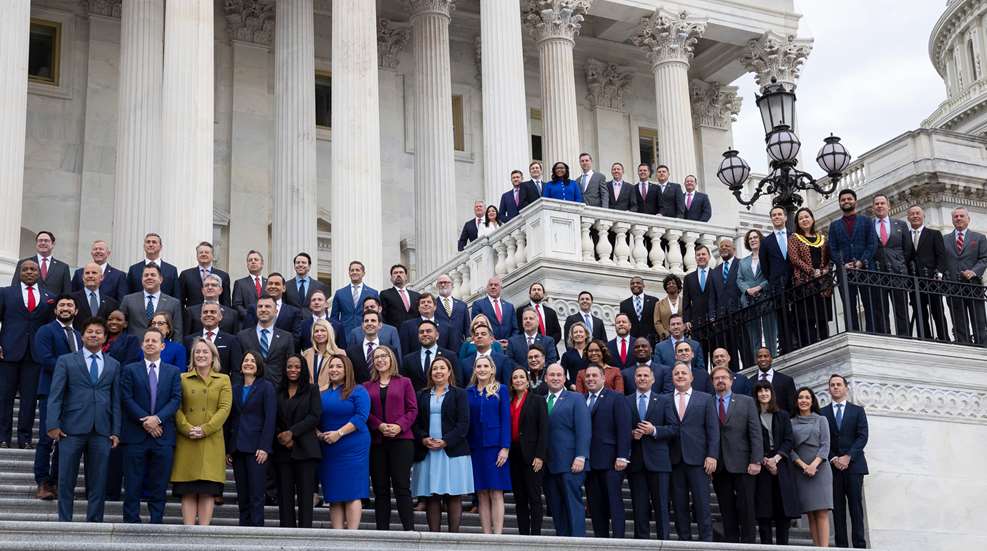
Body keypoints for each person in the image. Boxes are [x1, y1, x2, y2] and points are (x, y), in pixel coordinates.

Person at [46, 316, 121, 522]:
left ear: (105, 337)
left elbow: (116, 400)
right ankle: (64, 521)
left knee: (98, 480)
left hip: (102, 430)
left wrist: (116, 430)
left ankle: (95, 521)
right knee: (66, 479)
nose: (94, 335)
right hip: (71, 428)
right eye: (90, 331)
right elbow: (56, 395)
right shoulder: (66, 361)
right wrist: (52, 424)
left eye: (98, 332)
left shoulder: (114, 365)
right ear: (82, 335)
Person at [120, 328, 182, 524]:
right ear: (141, 345)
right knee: (132, 482)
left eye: (154, 341)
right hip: (135, 435)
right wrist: (147, 420)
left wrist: (157, 419)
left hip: (163, 436)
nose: (149, 343)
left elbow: (175, 399)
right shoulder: (130, 369)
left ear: (162, 346)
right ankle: (131, 520)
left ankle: (156, 520)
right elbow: (126, 398)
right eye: (146, 340)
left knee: (159, 482)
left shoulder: (173, 372)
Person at [171, 338, 233, 526]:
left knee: (207, 490)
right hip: (187, 440)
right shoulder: (182, 378)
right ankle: (189, 533)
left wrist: (205, 429)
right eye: (197, 352)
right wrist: (187, 428)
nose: (201, 355)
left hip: (211, 441)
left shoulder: (223, 379)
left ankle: (204, 534)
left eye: (205, 352)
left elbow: (224, 408)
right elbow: (176, 406)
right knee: (188, 489)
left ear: (213, 356)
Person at [411, 355, 474, 533]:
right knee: (432, 496)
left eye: (442, 368)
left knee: (453, 495)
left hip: (452, 451)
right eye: (435, 369)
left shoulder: (459, 394)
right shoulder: (421, 395)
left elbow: (464, 424)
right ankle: (434, 537)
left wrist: (446, 441)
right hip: (429, 451)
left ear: (449, 372)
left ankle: (453, 538)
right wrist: (424, 438)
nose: (438, 372)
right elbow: (415, 423)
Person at [0, 259, 55, 449]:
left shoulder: (49, 296)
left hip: (35, 355)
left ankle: (25, 438)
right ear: (19, 272)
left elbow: (50, 328)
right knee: (4, 396)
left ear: (39, 273)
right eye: (26, 269)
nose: (30, 272)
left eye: (33, 269)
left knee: (29, 399)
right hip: (8, 352)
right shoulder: (6, 293)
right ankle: (3, 437)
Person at [32, 294, 81, 499]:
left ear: (76, 311)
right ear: (55, 310)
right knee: (46, 438)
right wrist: (73, 371)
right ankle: (43, 482)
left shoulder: (79, 335)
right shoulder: (45, 331)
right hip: (51, 393)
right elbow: (45, 359)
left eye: (70, 305)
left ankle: (56, 481)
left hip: (74, 396)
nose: (66, 308)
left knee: (65, 439)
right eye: (62, 305)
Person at [364, 346, 418, 531]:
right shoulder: (366, 386)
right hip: (377, 442)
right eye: (376, 357)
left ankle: (409, 530)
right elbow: (365, 412)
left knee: (402, 486)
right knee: (380, 489)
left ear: (391, 358)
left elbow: (412, 410)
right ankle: (382, 530)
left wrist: (399, 426)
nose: (380, 360)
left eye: (384, 356)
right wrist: (378, 425)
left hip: (401, 441)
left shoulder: (404, 382)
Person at [317, 354, 371, 529]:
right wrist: (319, 434)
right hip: (330, 448)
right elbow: (313, 417)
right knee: (334, 494)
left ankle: (352, 537)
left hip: (353, 446)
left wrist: (339, 433)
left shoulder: (358, 390)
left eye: (338, 366)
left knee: (352, 492)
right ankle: (337, 537)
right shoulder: (322, 393)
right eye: (331, 366)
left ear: (347, 369)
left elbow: (361, 416)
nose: (334, 370)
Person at [710, 365, 762, 543]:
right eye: (717, 378)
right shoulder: (707, 403)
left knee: (746, 507)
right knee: (726, 508)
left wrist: (756, 460)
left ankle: (749, 544)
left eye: (724, 377)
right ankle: (731, 543)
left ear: (731, 381)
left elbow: (755, 432)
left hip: (744, 464)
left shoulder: (746, 401)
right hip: (719, 465)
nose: (720, 381)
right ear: (712, 382)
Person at [667, 361, 718, 542]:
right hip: (674, 460)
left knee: (702, 504)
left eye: (683, 373)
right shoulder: (665, 399)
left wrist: (712, 455)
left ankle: (706, 542)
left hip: (698, 460)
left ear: (691, 377)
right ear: (672, 378)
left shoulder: (705, 399)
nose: (680, 376)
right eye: (676, 373)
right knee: (679, 505)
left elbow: (712, 430)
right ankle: (684, 540)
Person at [626, 364, 677, 539]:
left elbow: (673, 429)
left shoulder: (664, 401)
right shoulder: (626, 400)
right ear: (634, 379)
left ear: (653, 379)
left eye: (645, 375)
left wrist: (654, 430)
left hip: (659, 462)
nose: (642, 378)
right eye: (639, 375)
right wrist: (631, 434)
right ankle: (641, 543)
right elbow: (620, 429)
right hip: (636, 463)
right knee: (639, 508)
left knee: (662, 506)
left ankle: (664, 542)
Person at [226, 351, 276, 526]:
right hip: (238, 448)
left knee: (256, 494)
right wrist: (229, 448)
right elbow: (231, 419)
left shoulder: (266, 387)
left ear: (259, 366)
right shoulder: (235, 388)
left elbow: (270, 419)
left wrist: (265, 447)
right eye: (245, 360)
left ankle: (256, 532)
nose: (248, 363)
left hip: (257, 449)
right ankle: (243, 532)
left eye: (252, 361)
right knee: (243, 495)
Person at [542, 363, 591, 537]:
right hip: (548, 464)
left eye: (559, 375)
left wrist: (581, 455)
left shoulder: (576, 398)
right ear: (546, 378)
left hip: (571, 463)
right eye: (551, 375)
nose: (555, 378)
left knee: (573, 505)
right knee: (556, 507)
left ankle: (578, 542)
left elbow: (584, 429)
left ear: (564, 378)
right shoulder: (541, 399)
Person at [821, 374, 869, 549]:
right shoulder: (823, 412)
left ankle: (859, 545)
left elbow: (862, 436)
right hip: (833, 468)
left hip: (854, 466)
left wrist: (848, 456)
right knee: (838, 509)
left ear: (846, 388)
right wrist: (834, 457)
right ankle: (841, 546)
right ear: (829, 389)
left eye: (839, 384)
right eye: (832, 385)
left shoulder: (857, 411)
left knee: (856, 508)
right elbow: (823, 439)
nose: (835, 387)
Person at [274, 354, 322, 528]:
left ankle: (305, 537)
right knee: (285, 498)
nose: (293, 370)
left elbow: (314, 416)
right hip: (282, 451)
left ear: (302, 369)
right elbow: (273, 417)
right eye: (289, 367)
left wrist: (292, 433)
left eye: (297, 367)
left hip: (306, 450)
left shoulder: (312, 389)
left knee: (305, 498)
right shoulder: (277, 391)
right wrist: (282, 436)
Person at [582, 364, 631, 538]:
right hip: (590, 463)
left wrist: (623, 456)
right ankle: (600, 540)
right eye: (588, 376)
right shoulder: (582, 399)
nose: (590, 379)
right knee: (595, 506)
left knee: (614, 503)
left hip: (611, 461)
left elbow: (624, 428)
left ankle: (618, 541)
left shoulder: (616, 398)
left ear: (603, 378)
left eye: (595, 375)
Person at [466, 357, 512, 534]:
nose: (482, 369)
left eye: (486, 366)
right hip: (475, 447)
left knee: (496, 492)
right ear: (474, 369)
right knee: (481, 493)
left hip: (495, 448)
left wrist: (505, 447)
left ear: (492, 369)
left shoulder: (501, 390)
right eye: (479, 366)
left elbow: (505, 419)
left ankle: (498, 535)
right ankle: (486, 534)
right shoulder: (468, 392)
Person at [752, 380, 800, 545]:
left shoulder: (783, 415)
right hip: (761, 463)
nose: (763, 393)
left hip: (782, 463)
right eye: (760, 391)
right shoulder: (752, 414)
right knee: (764, 511)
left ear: (772, 394)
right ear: (756, 394)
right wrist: (764, 459)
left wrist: (776, 458)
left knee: (782, 510)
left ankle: (783, 546)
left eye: (767, 390)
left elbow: (789, 439)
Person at [827, 189, 877, 332]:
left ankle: (871, 332)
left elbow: (872, 244)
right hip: (845, 272)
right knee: (849, 305)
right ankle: (853, 331)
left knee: (869, 303)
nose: (846, 201)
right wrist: (842, 264)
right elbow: (832, 248)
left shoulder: (866, 221)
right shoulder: (834, 225)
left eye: (849, 199)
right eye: (843, 200)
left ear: (855, 201)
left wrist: (861, 261)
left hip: (865, 269)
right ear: (839, 203)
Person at [507, 366, 548, 535]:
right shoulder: (508, 402)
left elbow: (544, 430)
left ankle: (536, 534)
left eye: (521, 377)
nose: (518, 380)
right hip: (514, 455)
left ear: (527, 380)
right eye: (515, 378)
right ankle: (523, 534)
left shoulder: (537, 400)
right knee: (520, 498)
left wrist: (540, 455)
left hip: (532, 455)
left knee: (534, 497)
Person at [791, 386, 833, 547]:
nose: (804, 400)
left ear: (812, 401)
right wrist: (803, 466)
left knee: (822, 512)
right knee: (810, 514)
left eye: (807, 397)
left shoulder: (821, 420)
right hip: (801, 471)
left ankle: (824, 548)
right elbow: (790, 448)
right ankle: (816, 547)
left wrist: (814, 465)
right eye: (801, 397)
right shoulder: (791, 422)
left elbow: (825, 446)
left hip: (820, 469)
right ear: (796, 401)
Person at [871, 194, 914, 336]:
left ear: (888, 206)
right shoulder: (869, 226)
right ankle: (885, 337)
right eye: (877, 204)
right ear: (873, 208)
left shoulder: (900, 225)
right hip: (878, 274)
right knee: (880, 310)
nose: (879, 206)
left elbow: (908, 249)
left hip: (898, 273)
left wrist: (899, 263)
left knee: (901, 309)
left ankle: (905, 336)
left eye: (882, 203)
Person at [943, 206, 987, 344]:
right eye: (956, 216)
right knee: (958, 320)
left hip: (973, 285)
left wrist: (974, 272)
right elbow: (941, 260)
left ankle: (982, 344)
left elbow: (984, 258)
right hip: (953, 286)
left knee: (978, 318)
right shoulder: (944, 239)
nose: (959, 218)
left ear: (968, 219)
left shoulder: (979, 238)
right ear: (952, 220)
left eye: (962, 216)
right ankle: (963, 343)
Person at [790, 207, 833, 347]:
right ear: (798, 222)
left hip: (822, 283)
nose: (804, 220)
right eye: (801, 218)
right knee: (807, 319)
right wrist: (811, 271)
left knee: (822, 318)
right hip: (804, 283)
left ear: (812, 219)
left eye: (807, 217)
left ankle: (825, 344)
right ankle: (811, 344)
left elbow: (829, 257)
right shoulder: (794, 238)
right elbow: (794, 259)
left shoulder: (822, 238)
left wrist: (825, 269)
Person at [906, 206, 948, 340]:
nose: (915, 216)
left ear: (923, 216)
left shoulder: (934, 234)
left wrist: (939, 274)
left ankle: (943, 338)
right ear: (908, 217)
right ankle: (925, 338)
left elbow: (941, 256)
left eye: (918, 213)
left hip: (932, 280)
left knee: (938, 311)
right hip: (914, 281)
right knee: (919, 312)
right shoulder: (904, 236)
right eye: (912, 214)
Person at [237, 295, 295, 387]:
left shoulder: (287, 337)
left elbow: (290, 366)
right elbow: (237, 368)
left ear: (276, 311)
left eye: (267, 306)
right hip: (250, 390)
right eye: (260, 306)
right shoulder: (242, 336)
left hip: (278, 390)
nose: (263, 309)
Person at [737, 229, 777, 357]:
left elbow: (771, 275)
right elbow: (739, 279)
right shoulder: (743, 262)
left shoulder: (767, 257)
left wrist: (760, 287)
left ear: (760, 239)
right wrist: (748, 290)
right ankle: (757, 358)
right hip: (749, 299)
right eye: (750, 238)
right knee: (753, 330)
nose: (753, 240)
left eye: (755, 237)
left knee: (769, 327)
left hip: (765, 296)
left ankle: (773, 355)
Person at [760, 207, 795, 353]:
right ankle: (785, 345)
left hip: (795, 280)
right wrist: (774, 280)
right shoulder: (766, 242)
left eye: (780, 214)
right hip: (777, 284)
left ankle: (797, 340)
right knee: (781, 316)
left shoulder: (794, 236)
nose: (777, 217)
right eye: (774, 215)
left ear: (785, 217)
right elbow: (765, 266)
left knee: (797, 312)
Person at [708, 238, 747, 370]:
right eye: (721, 246)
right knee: (728, 348)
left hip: (739, 313)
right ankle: (733, 372)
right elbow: (712, 296)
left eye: (727, 246)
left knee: (743, 346)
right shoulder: (715, 271)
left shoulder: (741, 264)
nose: (724, 248)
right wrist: (713, 316)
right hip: (722, 317)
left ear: (734, 249)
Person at [183, 301, 243, 381]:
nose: (208, 314)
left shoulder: (231, 340)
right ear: (200, 317)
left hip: (222, 388)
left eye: (213, 312)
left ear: (220, 317)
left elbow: (236, 371)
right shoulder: (189, 340)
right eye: (205, 312)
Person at [119, 263, 184, 337]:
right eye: (146, 275)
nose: (149, 277)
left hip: (163, 347)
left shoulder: (173, 303)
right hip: (134, 347)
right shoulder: (128, 300)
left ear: (161, 279)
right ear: (142, 279)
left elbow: (177, 332)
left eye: (153, 275)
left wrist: (177, 348)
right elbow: (120, 328)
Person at [401, 320, 460, 391]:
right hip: (417, 401)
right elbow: (404, 386)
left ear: (437, 335)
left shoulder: (450, 356)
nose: (425, 334)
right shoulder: (408, 359)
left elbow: (458, 382)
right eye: (421, 332)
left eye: (428, 331)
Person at [330, 260, 379, 337]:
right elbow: (334, 317)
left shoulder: (373, 293)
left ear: (363, 273)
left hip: (366, 333)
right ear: (349, 273)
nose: (354, 272)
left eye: (357, 270)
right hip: (344, 334)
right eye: (352, 270)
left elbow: (378, 315)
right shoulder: (340, 293)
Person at [13, 230, 72, 295]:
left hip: (53, 304)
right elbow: (15, 287)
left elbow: (67, 292)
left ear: (53, 244)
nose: (43, 243)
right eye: (40, 240)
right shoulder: (23, 263)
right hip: (29, 303)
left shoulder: (63, 267)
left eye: (46, 241)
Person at [176, 241, 232, 308]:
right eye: (201, 252)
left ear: (212, 256)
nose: (203, 254)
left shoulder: (223, 276)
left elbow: (226, 302)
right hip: (191, 316)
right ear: (197, 256)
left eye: (207, 252)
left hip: (216, 316)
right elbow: (180, 300)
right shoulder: (185, 275)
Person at [460, 324, 514, 389]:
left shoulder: (503, 360)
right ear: (473, 340)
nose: (479, 336)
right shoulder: (465, 363)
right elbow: (462, 388)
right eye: (476, 335)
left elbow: (507, 386)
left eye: (483, 334)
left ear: (491, 339)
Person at [253, 273, 304, 341]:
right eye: (270, 283)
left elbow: (296, 338)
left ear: (284, 288)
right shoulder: (254, 308)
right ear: (265, 287)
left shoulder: (294, 312)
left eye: (277, 284)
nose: (273, 286)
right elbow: (248, 335)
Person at [747, 347, 797, 415]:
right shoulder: (750, 382)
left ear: (771, 359)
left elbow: (793, 407)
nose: (763, 359)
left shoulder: (786, 380)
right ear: (756, 360)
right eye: (760, 357)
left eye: (766, 356)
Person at [344, 310, 387, 384]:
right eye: (366, 321)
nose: (369, 323)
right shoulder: (351, 352)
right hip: (359, 392)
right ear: (362, 325)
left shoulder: (390, 350)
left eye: (373, 320)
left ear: (380, 325)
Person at [470, 276, 518, 341]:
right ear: (487, 288)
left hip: (508, 347)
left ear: (501, 288)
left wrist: (510, 342)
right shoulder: (478, 305)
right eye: (490, 285)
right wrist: (493, 342)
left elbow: (515, 329)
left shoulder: (509, 307)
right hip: (488, 346)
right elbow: (476, 327)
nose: (493, 287)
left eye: (496, 285)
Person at [683, 245, 714, 342]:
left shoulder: (716, 274)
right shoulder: (688, 278)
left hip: (714, 320)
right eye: (698, 255)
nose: (701, 257)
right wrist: (687, 320)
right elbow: (686, 301)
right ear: (695, 258)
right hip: (696, 322)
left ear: (709, 256)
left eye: (703, 254)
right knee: (700, 352)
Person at [301, 318, 343, 386]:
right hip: (310, 394)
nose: (319, 333)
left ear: (329, 332)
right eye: (316, 331)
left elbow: (343, 378)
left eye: (323, 330)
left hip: (331, 394)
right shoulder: (306, 354)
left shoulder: (339, 353)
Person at [619, 276, 659, 344]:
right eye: (632, 283)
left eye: (638, 283)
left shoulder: (654, 301)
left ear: (643, 285)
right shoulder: (624, 304)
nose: (635, 285)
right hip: (632, 341)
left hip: (650, 341)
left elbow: (657, 321)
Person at [434, 274, 471, 346]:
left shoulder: (462, 305)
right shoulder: (433, 305)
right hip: (440, 347)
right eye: (440, 283)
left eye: (446, 282)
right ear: (437, 286)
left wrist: (468, 346)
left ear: (452, 285)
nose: (443, 284)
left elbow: (467, 329)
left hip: (459, 347)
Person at [380, 264, 421, 328]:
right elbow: (383, 316)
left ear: (406, 277)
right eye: (395, 273)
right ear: (391, 278)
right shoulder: (385, 294)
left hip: (414, 332)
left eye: (401, 272)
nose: (398, 275)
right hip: (395, 332)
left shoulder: (416, 296)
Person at [231, 250, 266, 322]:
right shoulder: (240, 283)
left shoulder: (269, 283)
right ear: (247, 265)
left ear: (262, 263)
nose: (253, 261)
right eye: (250, 260)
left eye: (256, 259)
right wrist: (250, 316)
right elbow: (237, 305)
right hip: (247, 323)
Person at [653, 274, 684, 341]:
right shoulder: (659, 304)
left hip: (683, 336)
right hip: (666, 338)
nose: (671, 285)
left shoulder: (685, 302)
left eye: (673, 283)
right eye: (668, 284)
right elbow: (657, 322)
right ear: (666, 287)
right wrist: (664, 333)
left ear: (678, 286)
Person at [560, 321, 590, 387]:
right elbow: (562, 374)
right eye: (575, 332)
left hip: (591, 388)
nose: (578, 334)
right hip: (574, 389)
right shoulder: (566, 355)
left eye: (581, 332)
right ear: (572, 336)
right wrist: (570, 385)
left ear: (586, 335)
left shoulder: (591, 352)